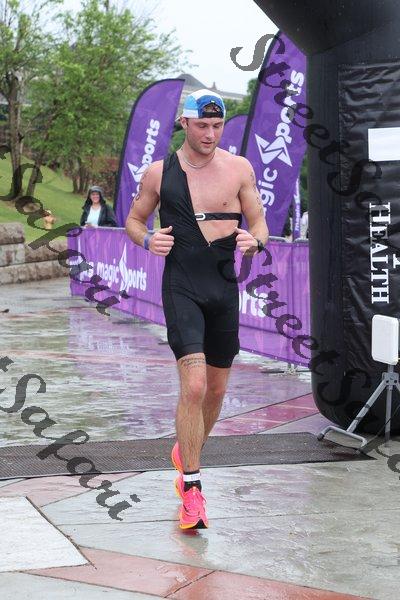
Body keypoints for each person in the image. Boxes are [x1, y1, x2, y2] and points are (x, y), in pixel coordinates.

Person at [125, 89, 269, 530]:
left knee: (217, 391)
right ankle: (192, 488)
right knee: (194, 384)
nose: (210, 134)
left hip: (223, 290)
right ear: (184, 124)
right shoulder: (159, 173)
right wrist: (147, 240)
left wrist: (255, 241)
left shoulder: (239, 168)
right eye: (202, 125)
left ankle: (187, 449)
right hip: (182, 286)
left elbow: (260, 223)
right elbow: (133, 220)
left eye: (217, 125)